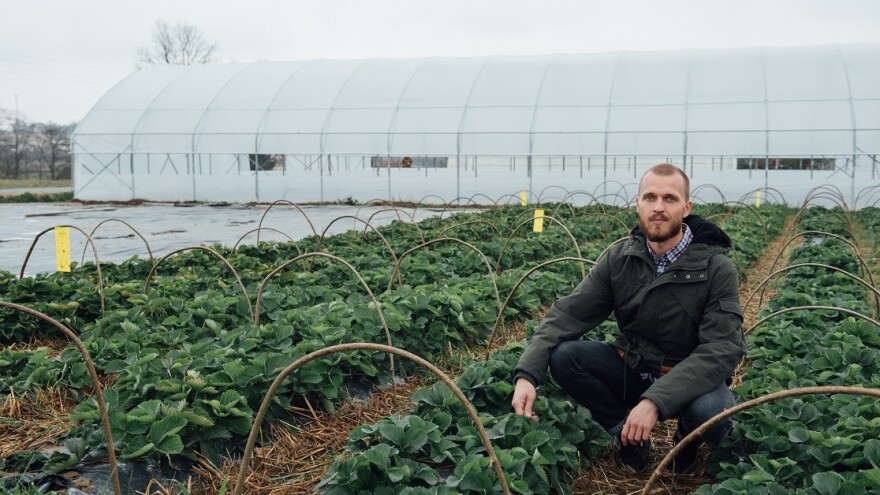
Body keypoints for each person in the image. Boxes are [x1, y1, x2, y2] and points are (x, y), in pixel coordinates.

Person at [511, 163, 746, 473]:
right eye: (650, 197)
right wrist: (527, 375)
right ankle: (628, 435)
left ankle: (686, 440)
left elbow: (721, 349)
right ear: (638, 203)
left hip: (688, 376)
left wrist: (654, 402)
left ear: (686, 208)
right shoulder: (620, 258)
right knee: (566, 357)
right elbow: (568, 314)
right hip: (635, 367)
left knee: (713, 412)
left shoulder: (716, 268)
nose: (658, 207)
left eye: (670, 198)